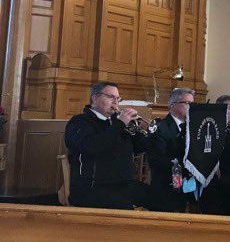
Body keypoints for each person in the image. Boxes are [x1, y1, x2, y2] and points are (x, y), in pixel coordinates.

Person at [64, 81, 150, 209]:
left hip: (122, 184)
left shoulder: (117, 123)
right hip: (91, 188)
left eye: (117, 98)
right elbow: (91, 147)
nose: (115, 102)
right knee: (125, 208)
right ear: (95, 98)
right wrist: (119, 124)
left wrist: (140, 131)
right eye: (111, 97)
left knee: (162, 199)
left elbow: (138, 148)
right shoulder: (80, 122)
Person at [145, 87, 194, 213]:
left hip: (188, 187)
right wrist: (188, 166)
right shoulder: (160, 128)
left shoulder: (193, 127)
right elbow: (157, 160)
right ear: (173, 105)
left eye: (192, 104)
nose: (190, 107)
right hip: (166, 188)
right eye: (187, 103)